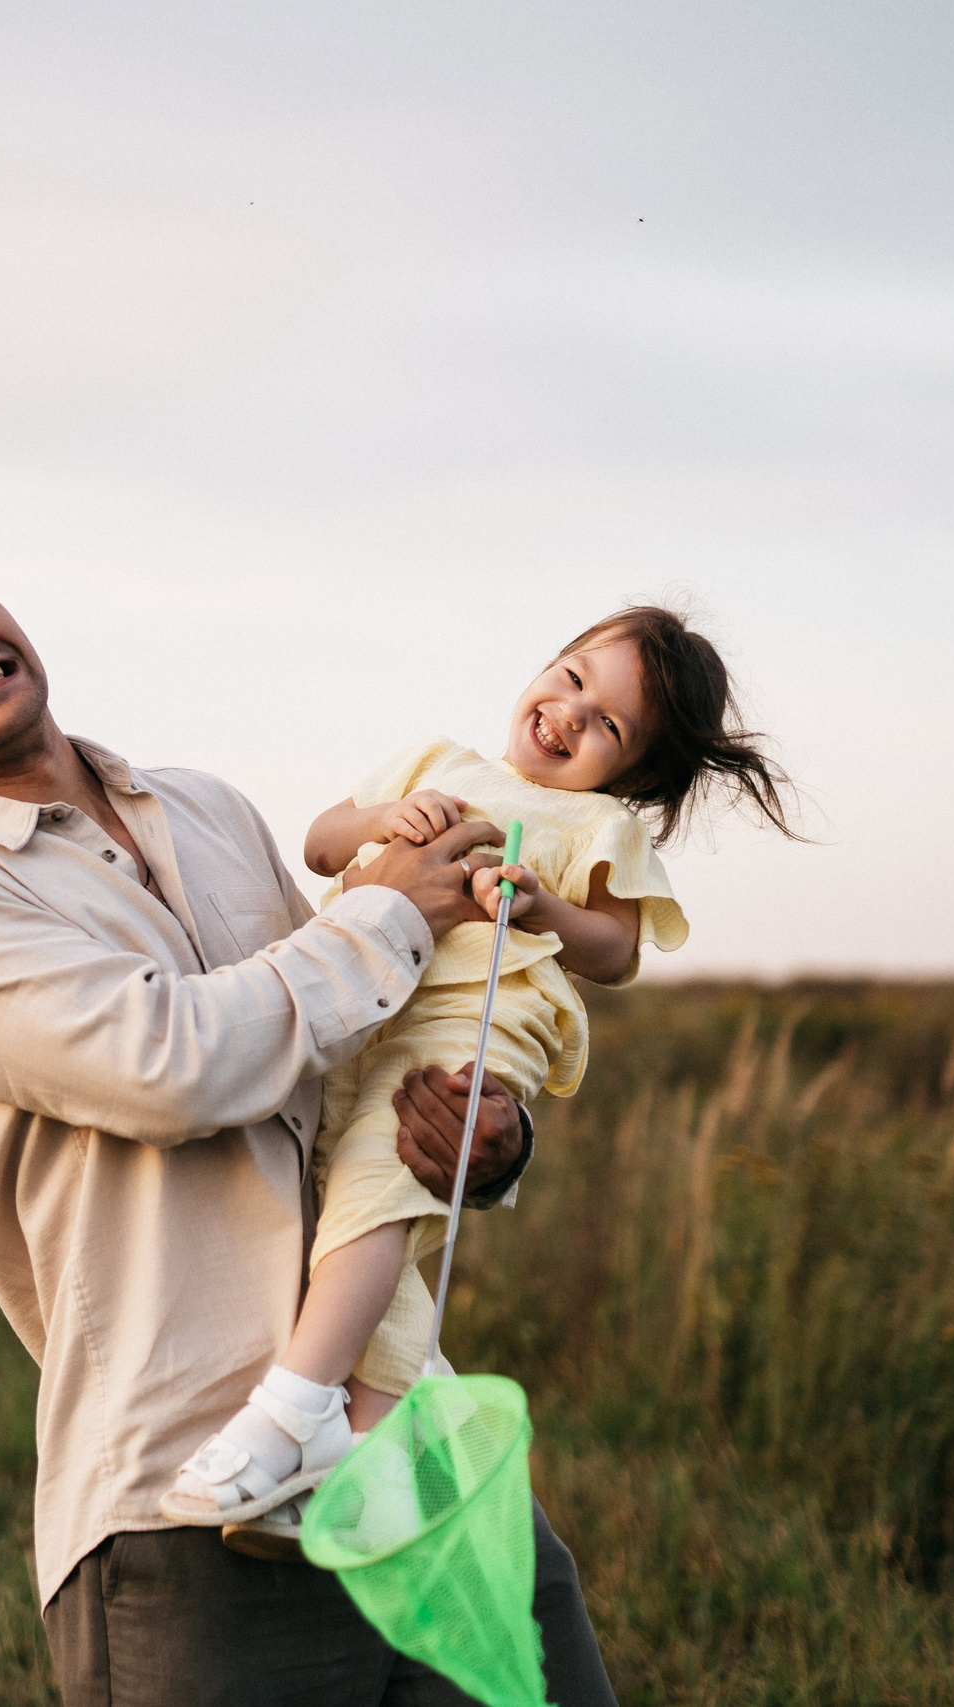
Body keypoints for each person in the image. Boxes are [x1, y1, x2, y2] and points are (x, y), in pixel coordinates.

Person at [0, 525, 619, 1706]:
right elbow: (169, 1068)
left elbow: (352, 1050)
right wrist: (384, 911)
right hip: (188, 1495)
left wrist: (485, 1143)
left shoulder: (209, 809)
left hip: (408, 1437)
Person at [161, 606, 799, 1536]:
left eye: (608, 726)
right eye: (573, 678)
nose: (570, 716)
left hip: (479, 1017)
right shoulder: (435, 762)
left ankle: (294, 1410)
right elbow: (322, 842)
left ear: (635, 772)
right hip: (371, 1005)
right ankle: (374, 1465)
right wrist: (384, 816)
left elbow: (617, 950)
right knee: (356, 1218)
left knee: (383, 1180)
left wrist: (545, 908)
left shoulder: (599, 827)